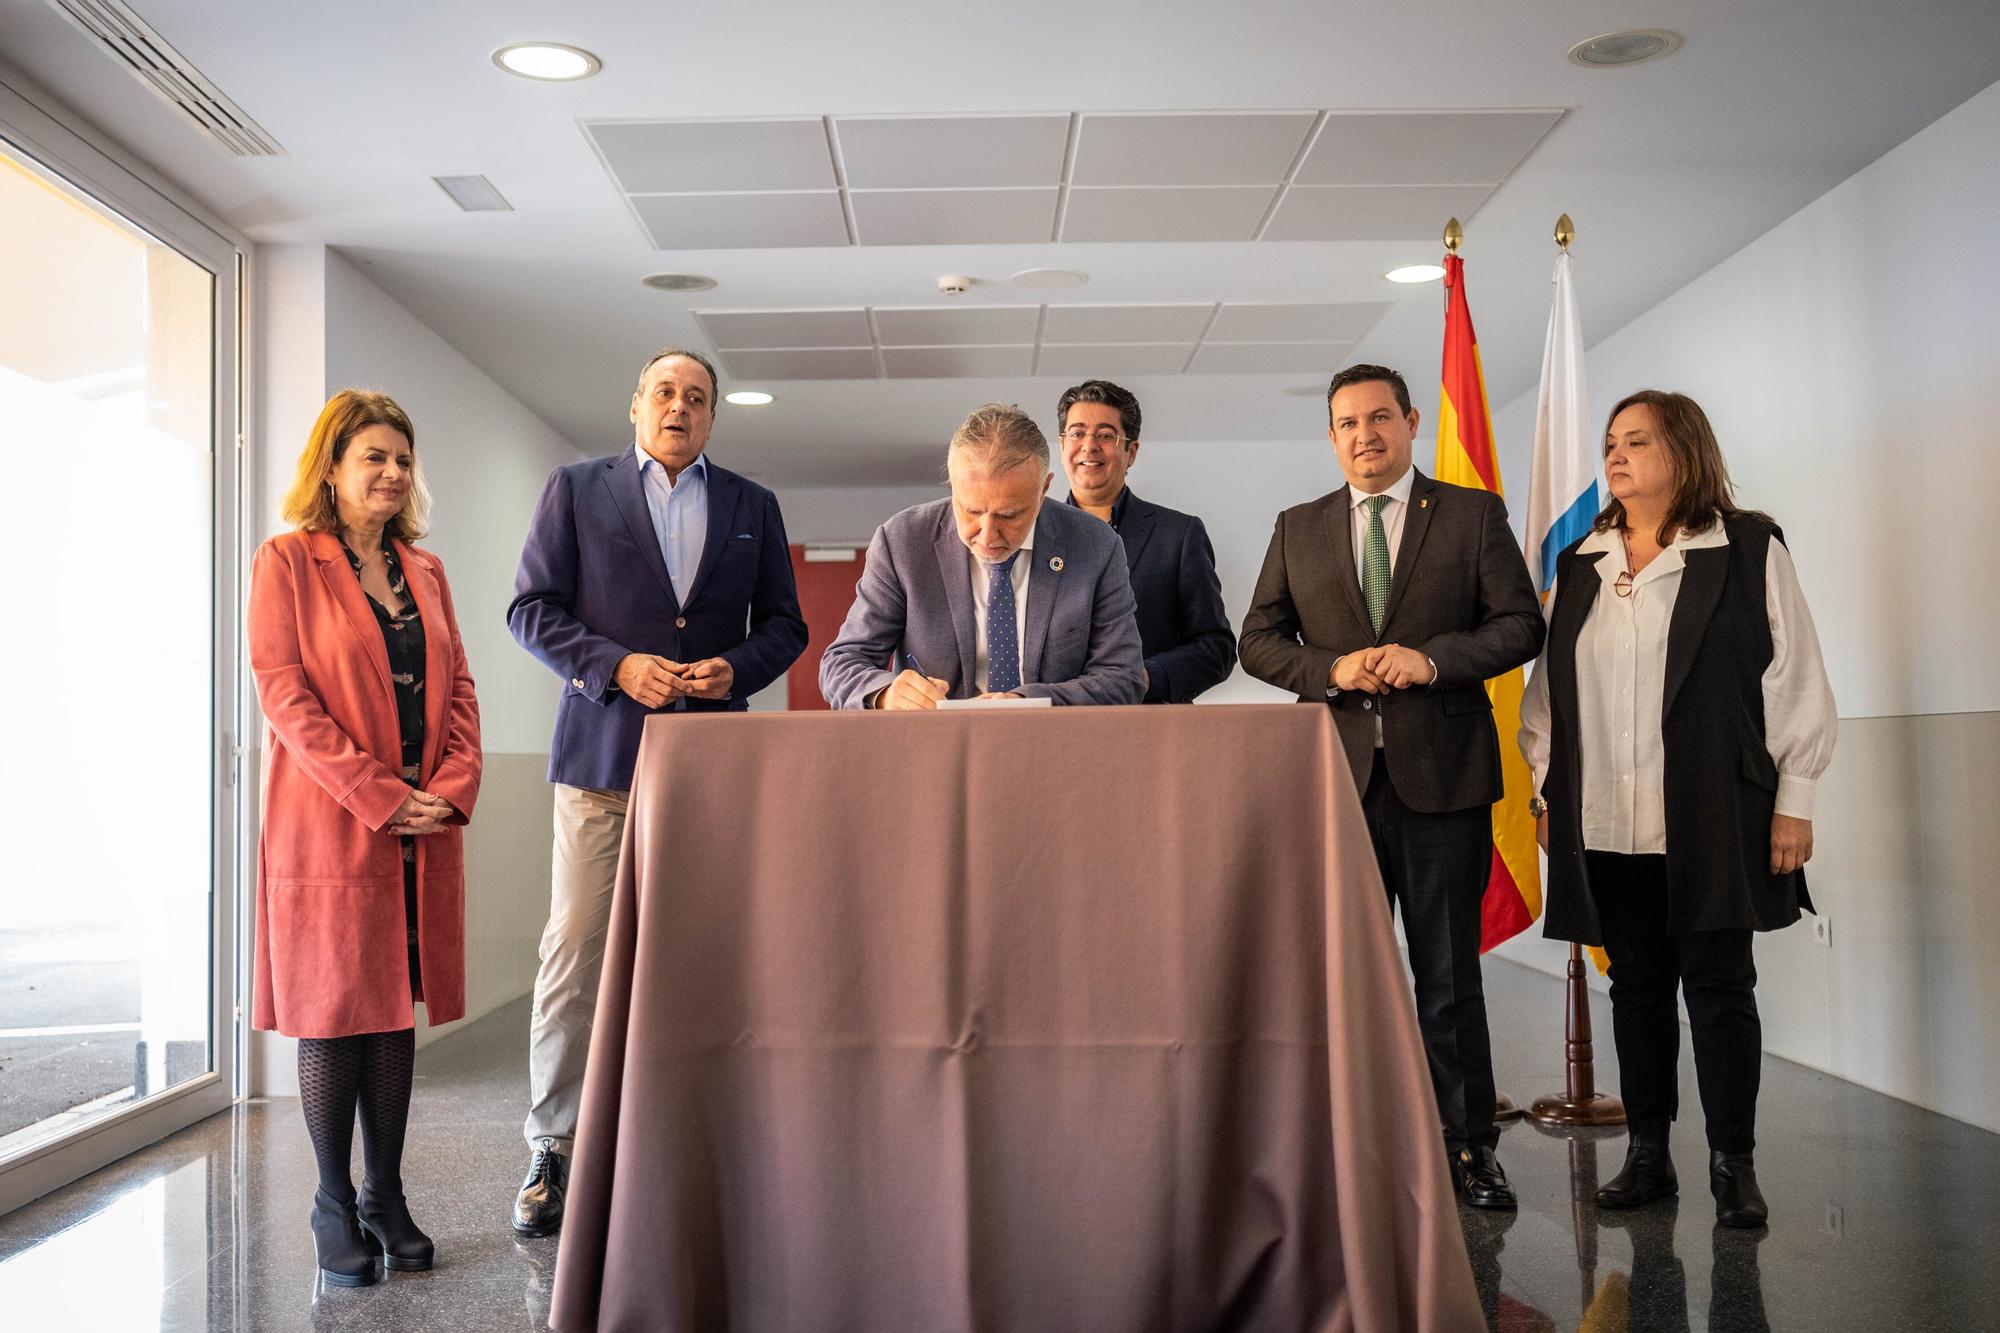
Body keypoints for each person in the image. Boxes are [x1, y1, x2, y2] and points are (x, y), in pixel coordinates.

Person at [506, 348, 807, 1236]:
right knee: (575, 948)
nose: (680, 407)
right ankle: (553, 1146)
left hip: (712, 764)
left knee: (710, 948)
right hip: (600, 759)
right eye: (665, 393)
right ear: (636, 404)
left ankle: (706, 1132)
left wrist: (736, 669)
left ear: (713, 418)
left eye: (697, 398)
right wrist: (617, 664)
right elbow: (531, 609)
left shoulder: (753, 504)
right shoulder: (575, 488)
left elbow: (785, 623)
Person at [1520, 389, 1835, 1228]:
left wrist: (1795, 799)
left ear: (1683, 450)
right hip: (1606, 818)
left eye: (1636, 441)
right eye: (1610, 443)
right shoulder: (1581, 559)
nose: (1615, 456)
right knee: (1637, 990)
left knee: (1722, 990)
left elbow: (1795, 677)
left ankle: (1735, 1162)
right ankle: (1649, 1154)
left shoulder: (1748, 548)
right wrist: (1547, 785)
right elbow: (1548, 691)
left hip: (1711, 811)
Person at [1240, 363, 1543, 1208]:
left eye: (1380, 418)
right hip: (1336, 788)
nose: (1365, 435)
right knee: (1345, 978)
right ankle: (1354, 1142)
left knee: (1448, 978)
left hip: (1444, 784)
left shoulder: (1471, 514)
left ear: (1412, 422)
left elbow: (1522, 623)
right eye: (1347, 423)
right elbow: (1257, 640)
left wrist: (1434, 659)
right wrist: (1330, 668)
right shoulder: (1298, 526)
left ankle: (1469, 1146)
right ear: (1330, 436)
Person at [248, 390, 483, 1286]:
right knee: (335, 1005)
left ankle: (385, 1193)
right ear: (333, 468)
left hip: (421, 825)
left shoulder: (425, 572)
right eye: (373, 458)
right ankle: (332, 1199)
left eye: (401, 460)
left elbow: (458, 689)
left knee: (392, 1005)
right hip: (330, 823)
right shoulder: (288, 562)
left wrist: (452, 788)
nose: (391, 474)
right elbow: (284, 695)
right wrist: (380, 795)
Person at [819, 403, 1145, 709]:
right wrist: (885, 693)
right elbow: (842, 663)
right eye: (971, 511)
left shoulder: (1097, 546)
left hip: (1052, 747)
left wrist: (1028, 703)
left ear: (1043, 489)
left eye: (1009, 515)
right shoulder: (902, 542)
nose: (987, 535)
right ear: (952, 486)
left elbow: (1122, 676)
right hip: (934, 748)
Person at [1057, 379, 1236, 702]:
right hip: (1058, 723)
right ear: (1062, 446)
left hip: (1152, 724)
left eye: (1106, 435)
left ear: (1131, 451)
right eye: (1077, 432)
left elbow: (1216, 648)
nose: (1089, 445)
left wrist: (1146, 677)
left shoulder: (1179, 535)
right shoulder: (1034, 536)